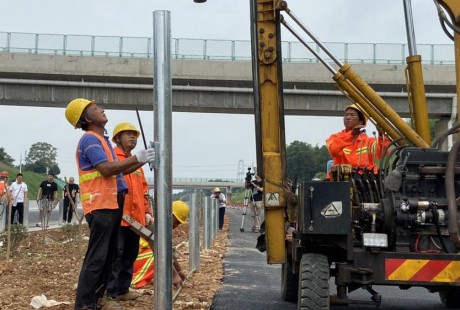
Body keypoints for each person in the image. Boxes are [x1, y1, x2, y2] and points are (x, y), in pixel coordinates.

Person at [65, 98, 155, 310]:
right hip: (100, 204)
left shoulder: (102, 140)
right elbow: (106, 169)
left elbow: (119, 170)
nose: (102, 110)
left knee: (108, 256)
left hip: (112, 203)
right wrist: (137, 159)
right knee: (97, 258)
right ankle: (85, 305)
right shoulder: (90, 140)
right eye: (96, 109)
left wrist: (140, 160)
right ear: (87, 118)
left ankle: (98, 300)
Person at [107, 122, 154, 302]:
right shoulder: (113, 158)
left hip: (135, 220)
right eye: (127, 134)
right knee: (115, 255)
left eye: (134, 134)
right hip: (119, 217)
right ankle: (110, 292)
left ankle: (122, 290)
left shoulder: (137, 164)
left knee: (130, 253)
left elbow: (143, 191)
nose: (132, 137)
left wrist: (147, 211)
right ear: (117, 138)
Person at [131, 200, 189, 289]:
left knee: (160, 254)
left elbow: (169, 253)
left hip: (138, 259)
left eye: (179, 223)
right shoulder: (154, 226)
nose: (176, 226)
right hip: (133, 259)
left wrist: (179, 271)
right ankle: (135, 281)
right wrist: (174, 276)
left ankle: (144, 278)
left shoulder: (164, 230)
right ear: (170, 215)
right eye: (176, 222)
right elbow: (161, 253)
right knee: (157, 255)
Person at [326, 104, 387, 174]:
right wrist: (351, 135)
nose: (348, 117)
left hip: (365, 180)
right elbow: (334, 151)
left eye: (352, 115)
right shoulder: (334, 137)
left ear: (361, 121)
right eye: (346, 115)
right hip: (343, 180)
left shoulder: (369, 141)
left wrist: (381, 135)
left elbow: (381, 153)